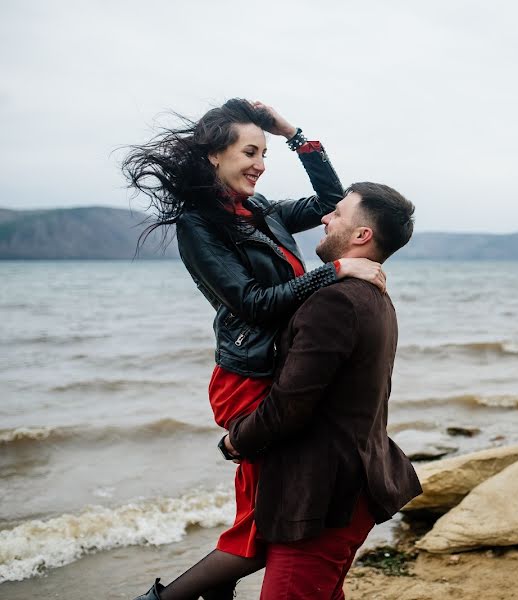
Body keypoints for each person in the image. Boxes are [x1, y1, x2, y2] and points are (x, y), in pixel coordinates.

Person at [123, 99, 387, 600]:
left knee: (265, 518)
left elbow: (337, 206)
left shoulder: (262, 211)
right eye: (250, 151)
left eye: (265, 153)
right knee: (261, 523)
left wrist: (295, 134)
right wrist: (334, 271)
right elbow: (252, 303)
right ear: (213, 157)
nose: (260, 164)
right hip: (247, 379)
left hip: (278, 372)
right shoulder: (198, 224)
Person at [221, 182, 422, 599]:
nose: (325, 217)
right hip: (350, 487)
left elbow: (290, 404)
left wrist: (235, 442)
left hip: (325, 499)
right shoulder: (373, 296)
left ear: (361, 235)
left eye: (338, 214)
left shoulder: (336, 301)